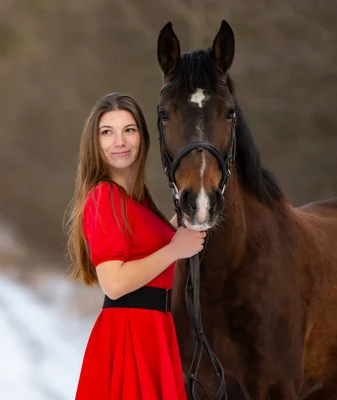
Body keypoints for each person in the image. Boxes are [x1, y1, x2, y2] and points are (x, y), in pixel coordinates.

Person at [64, 92, 206, 400]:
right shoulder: (106, 196)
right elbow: (114, 283)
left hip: (153, 330)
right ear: (95, 143)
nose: (120, 141)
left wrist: (185, 220)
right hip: (130, 335)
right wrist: (174, 249)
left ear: (142, 135)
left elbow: (145, 250)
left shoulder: (134, 199)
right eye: (107, 132)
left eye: (129, 129)